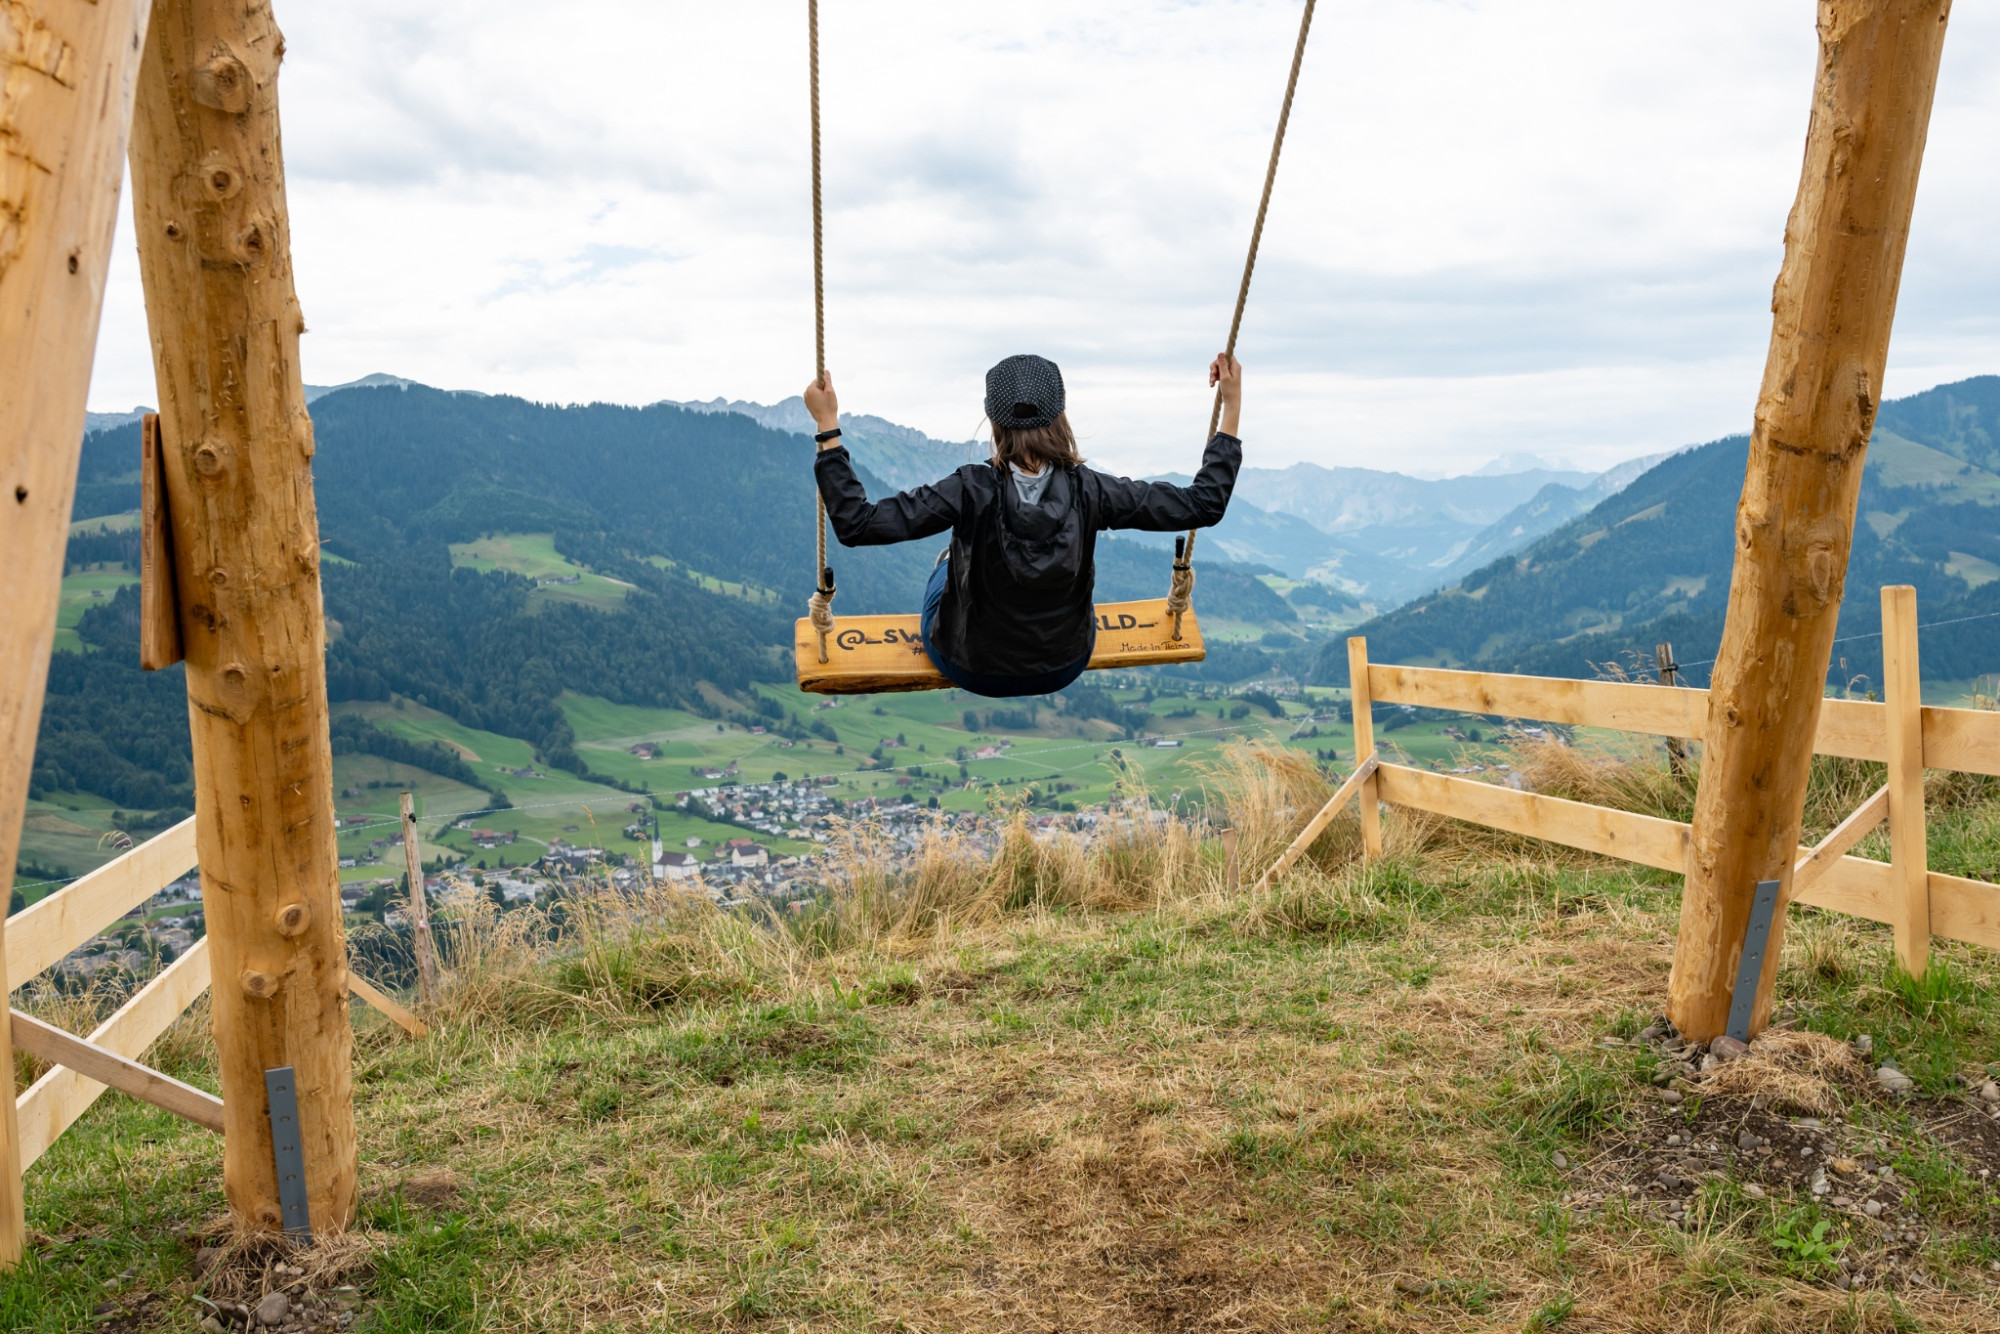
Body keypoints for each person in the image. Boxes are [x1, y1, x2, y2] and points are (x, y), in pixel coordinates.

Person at [805, 352, 1242, 698]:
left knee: (946, 565)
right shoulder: (1091, 489)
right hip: (1063, 664)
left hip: (970, 666)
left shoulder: (969, 489)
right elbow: (1203, 503)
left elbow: (858, 523)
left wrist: (828, 426)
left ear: (994, 421)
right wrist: (1232, 405)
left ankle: (948, 562)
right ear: (1060, 416)